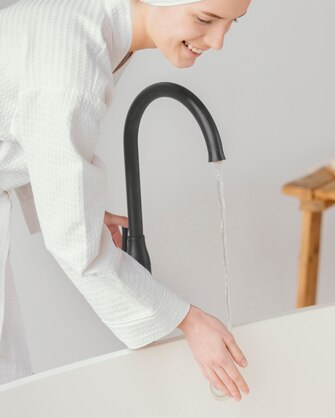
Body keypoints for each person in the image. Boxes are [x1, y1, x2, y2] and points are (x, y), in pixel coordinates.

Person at [0, 0, 251, 401]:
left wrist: (79, 206)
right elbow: (75, 246)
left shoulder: (93, 24)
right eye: (206, 19)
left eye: (232, 23)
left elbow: (22, 124)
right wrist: (187, 319)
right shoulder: (73, 59)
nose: (218, 41)